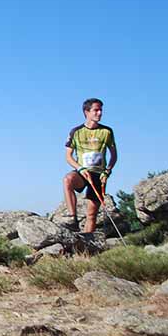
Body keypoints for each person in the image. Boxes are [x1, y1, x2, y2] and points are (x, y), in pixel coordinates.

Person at [63, 98, 117, 235]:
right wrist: (80, 168)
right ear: (86, 112)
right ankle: (72, 218)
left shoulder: (107, 131)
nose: (99, 113)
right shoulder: (76, 131)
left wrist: (107, 171)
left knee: (92, 215)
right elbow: (68, 156)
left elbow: (114, 155)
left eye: (101, 110)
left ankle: (88, 242)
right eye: (96, 110)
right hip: (82, 173)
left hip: (99, 175)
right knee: (67, 180)